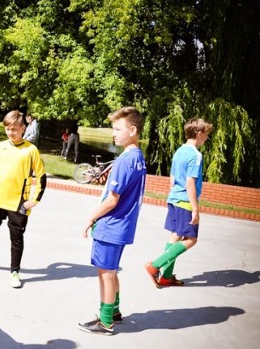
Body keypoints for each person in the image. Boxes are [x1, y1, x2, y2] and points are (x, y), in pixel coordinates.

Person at [78, 106, 147, 336]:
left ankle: (105, 321)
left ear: (133, 130)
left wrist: (90, 218)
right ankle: (115, 310)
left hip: (111, 225)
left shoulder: (124, 161)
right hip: (124, 225)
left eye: (118, 129)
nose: (113, 134)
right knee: (112, 270)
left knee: (105, 273)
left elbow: (112, 200)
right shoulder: (139, 157)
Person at [0, 110, 47, 288]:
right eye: (8, 129)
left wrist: (35, 199)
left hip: (18, 203)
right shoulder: (0, 147)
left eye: (14, 129)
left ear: (23, 128)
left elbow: (42, 176)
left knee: (16, 238)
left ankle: (15, 271)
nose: (11, 132)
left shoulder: (31, 150)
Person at [144, 118, 213, 288]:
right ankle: (155, 265)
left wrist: (172, 196)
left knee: (175, 235)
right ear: (198, 133)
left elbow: (173, 177)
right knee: (191, 239)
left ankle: (166, 277)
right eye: (206, 134)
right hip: (186, 201)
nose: (207, 138)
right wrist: (195, 208)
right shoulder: (196, 155)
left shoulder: (179, 151)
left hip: (174, 198)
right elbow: (190, 182)